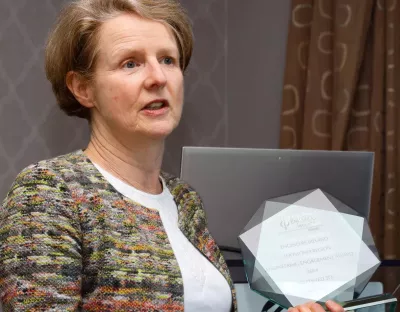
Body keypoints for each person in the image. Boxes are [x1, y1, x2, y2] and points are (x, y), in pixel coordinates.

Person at [0, 0, 345, 311]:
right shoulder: (48, 192)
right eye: (130, 63)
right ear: (83, 88)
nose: (158, 77)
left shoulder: (185, 200)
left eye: (168, 59)